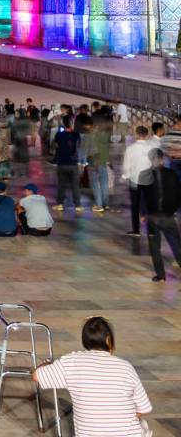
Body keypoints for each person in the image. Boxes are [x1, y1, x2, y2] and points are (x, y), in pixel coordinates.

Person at [33, 315, 151, 436]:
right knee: (143, 425)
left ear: (85, 340)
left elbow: (36, 376)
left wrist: (46, 363)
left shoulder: (71, 362)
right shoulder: (126, 367)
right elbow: (144, 408)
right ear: (108, 340)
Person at [142, 148, 181, 282]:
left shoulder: (145, 175)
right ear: (162, 159)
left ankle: (160, 275)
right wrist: (174, 210)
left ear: (150, 159)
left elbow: (143, 197)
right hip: (169, 216)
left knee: (155, 247)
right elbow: (178, 194)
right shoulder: (172, 174)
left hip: (153, 217)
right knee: (176, 245)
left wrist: (143, 214)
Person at [122, 125, 157, 236]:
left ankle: (136, 230)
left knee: (135, 205)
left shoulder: (130, 148)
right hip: (149, 179)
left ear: (136, 134)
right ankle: (151, 230)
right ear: (147, 135)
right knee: (150, 204)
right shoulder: (152, 148)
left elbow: (126, 165)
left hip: (135, 179)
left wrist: (125, 176)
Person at [53, 114, 83, 214]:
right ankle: (78, 205)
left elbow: (55, 146)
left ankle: (60, 204)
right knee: (75, 185)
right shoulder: (76, 135)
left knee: (62, 185)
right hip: (73, 163)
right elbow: (79, 146)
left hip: (62, 163)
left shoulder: (59, 134)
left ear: (63, 123)